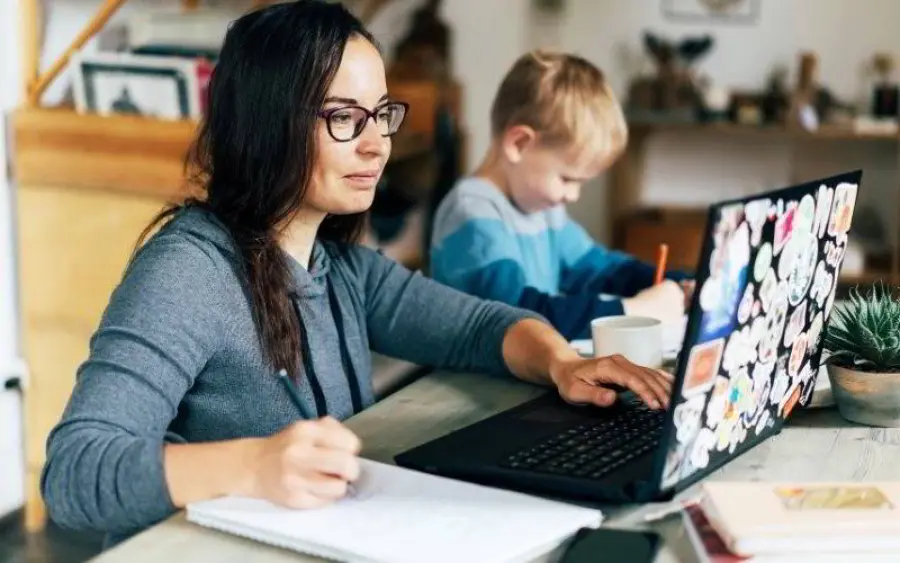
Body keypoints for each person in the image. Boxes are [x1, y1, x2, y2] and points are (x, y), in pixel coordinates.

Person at [40, 1, 673, 548]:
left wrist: (561, 362)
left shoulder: (339, 267)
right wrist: (254, 463)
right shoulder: (188, 272)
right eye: (345, 118)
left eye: (380, 115)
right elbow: (73, 473)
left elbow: (478, 326)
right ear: (269, 125)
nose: (377, 144)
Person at [429, 50, 694, 340]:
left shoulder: (541, 208)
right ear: (519, 144)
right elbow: (522, 316)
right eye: (567, 178)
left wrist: (680, 283)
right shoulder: (472, 214)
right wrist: (632, 311)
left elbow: (601, 270)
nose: (573, 195)